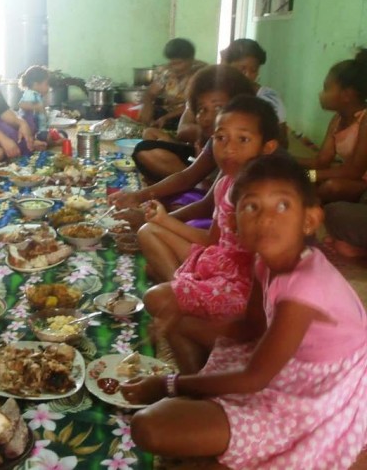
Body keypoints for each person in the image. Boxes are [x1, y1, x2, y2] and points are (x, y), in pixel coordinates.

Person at [123, 153, 367, 470]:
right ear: (235, 221)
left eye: (282, 206)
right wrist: (181, 319)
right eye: (252, 206)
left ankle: (216, 429)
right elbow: (250, 328)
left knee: (149, 427)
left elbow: (253, 378)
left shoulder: (306, 289)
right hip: (277, 361)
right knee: (177, 318)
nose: (265, 219)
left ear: (309, 220)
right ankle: (208, 414)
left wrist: (170, 384)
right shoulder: (264, 260)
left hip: (315, 391)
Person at [140, 96, 280, 373]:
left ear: (267, 148)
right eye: (220, 138)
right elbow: (212, 241)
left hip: (241, 286)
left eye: (242, 140)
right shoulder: (226, 182)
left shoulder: (262, 194)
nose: (228, 149)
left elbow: (265, 272)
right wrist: (163, 220)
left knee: (157, 300)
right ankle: (193, 325)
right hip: (218, 262)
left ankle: (204, 355)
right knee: (148, 231)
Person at [132, 64, 255, 183]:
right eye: (202, 110)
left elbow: (208, 196)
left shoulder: (241, 150)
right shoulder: (212, 141)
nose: (208, 117)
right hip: (197, 164)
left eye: (218, 108)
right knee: (144, 145)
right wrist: (138, 196)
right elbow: (191, 176)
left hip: (205, 180)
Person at [297, 49, 367, 203]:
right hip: (350, 177)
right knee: (296, 176)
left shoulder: (365, 120)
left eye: (326, 89)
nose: (321, 94)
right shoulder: (337, 119)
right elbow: (321, 161)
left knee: (331, 187)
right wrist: (285, 158)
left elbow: (354, 172)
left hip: (361, 181)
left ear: (346, 95)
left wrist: (309, 176)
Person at [220, 38, 287, 144]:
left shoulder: (268, 98)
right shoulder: (217, 92)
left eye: (254, 70)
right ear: (227, 66)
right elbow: (185, 126)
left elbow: (282, 141)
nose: (248, 75)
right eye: (242, 69)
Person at [139, 38, 207, 130]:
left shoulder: (202, 73)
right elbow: (150, 93)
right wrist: (147, 107)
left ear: (191, 59)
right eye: (172, 63)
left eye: (179, 63)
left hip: (189, 116)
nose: (174, 67)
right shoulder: (166, 71)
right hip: (166, 115)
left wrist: (166, 118)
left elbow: (194, 104)